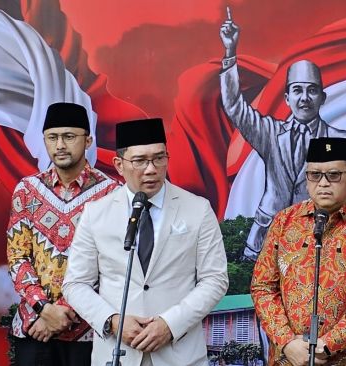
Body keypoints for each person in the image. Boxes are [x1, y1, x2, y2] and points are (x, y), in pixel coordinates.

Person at [63, 118, 228, 365]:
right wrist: (113, 321)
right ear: (119, 165)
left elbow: (214, 279)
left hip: (179, 353)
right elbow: (76, 283)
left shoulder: (197, 209)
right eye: (139, 161)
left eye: (159, 158)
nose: (151, 169)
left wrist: (170, 324)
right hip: (118, 353)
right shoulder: (96, 213)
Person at [219, 16, 346, 260]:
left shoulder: (340, 139)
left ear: (322, 98)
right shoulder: (269, 133)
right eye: (297, 90)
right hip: (266, 243)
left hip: (322, 243)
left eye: (312, 90)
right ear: (287, 98)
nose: (304, 98)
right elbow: (234, 106)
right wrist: (230, 51)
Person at [251, 137, 346, 366]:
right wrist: (287, 341)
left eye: (334, 175)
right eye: (315, 175)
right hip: (287, 359)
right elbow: (262, 287)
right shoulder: (284, 222)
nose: (324, 183)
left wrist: (330, 344)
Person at [6, 102, 119, 365]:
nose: (60, 145)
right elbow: (17, 258)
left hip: (89, 334)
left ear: (88, 140)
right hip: (35, 328)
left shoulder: (110, 193)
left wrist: (64, 314)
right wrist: (43, 309)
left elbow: (112, 265)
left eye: (69, 137)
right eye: (52, 137)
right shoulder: (27, 190)